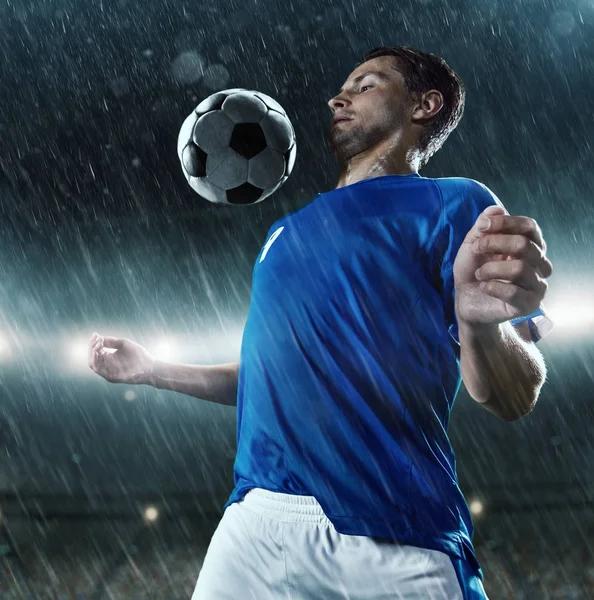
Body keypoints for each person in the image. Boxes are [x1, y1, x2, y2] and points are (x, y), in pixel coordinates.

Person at [89, 46, 554, 599]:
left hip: (395, 528)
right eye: (343, 86)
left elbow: (515, 394)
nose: (340, 96)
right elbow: (269, 375)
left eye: (365, 85)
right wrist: (153, 370)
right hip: (254, 521)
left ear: (424, 105)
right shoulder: (282, 233)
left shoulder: (456, 203)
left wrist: (480, 329)